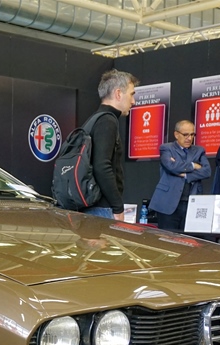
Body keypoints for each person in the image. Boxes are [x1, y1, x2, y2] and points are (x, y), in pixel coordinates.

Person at [80, 69, 138, 220]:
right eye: (131, 94)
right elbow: (102, 166)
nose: (133, 101)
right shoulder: (107, 121)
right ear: (118, 94)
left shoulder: (94, 120)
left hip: (91, 207)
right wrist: (118, 208)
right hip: (102, 209)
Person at [148, 120, 211, 231]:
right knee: (167, 238)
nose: (189, 138)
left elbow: (207, 171)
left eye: (192, 134)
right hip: (168, 203)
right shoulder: (166, 148)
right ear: (176, 134)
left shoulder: (199, 150)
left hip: (190, 203)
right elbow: (171, 166)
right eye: (185, 134)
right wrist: (194, 165)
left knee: (188, 239)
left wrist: (186, 175)